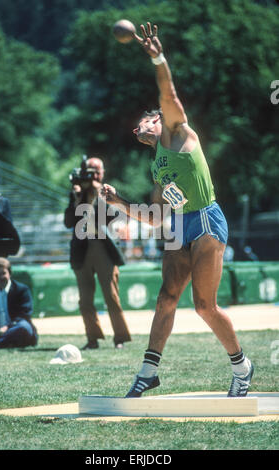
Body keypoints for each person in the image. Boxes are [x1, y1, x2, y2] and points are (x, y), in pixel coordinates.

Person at [101, 22, 253, 397]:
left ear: (157, 119)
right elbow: (156, 219)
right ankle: (149, 370)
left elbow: (166, 91)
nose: (137, 128)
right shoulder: (156, 167)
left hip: (206, 219)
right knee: (166, 297)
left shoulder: (178, 131)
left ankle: (242, 366)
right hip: (179, 227)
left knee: (204, 306)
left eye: (142, 122)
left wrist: (158, 57)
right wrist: (119, 202)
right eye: (136, 129)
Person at [64, 157, 131, 350]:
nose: (91, 175)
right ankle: (92, 338)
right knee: (85, 299)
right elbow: (68, 222)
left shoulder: (105, 191)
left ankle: (120, 338)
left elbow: (111, 218)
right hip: (82, 248)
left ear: (101, 173)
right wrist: (77, 200)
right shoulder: (76, 193)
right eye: (89, 171)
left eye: (95, 171)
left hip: (103, 247)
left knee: (111, 295)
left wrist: (97, 196)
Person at [0, 258, 38, 348]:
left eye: (3, 273)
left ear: (9, 273)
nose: (1, 277)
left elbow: (24, 315)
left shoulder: (22, 290)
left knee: (24, 327)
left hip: (12, 328)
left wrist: (1, 332)